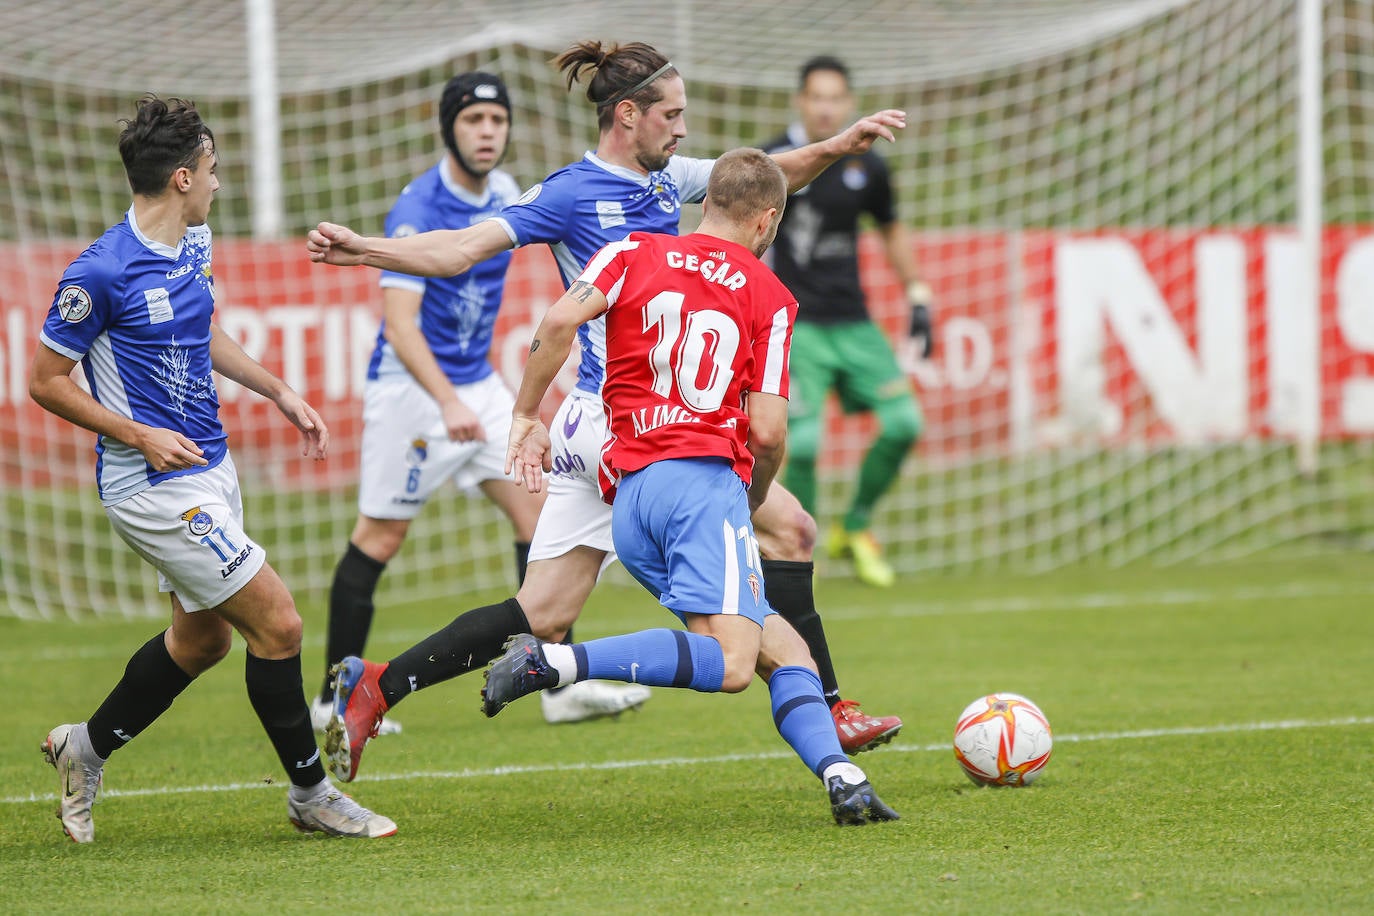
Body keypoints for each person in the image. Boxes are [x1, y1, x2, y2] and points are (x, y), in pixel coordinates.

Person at [308, 41, 905, 784]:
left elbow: (763, 183)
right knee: (787, 532)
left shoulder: (669, 181)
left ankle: (376, 684)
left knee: (544, 608)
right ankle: (832, 707)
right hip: (621, 424)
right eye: (673, 115)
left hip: (613, 428)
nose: (684, 130)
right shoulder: (567, 193)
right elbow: (461, 248)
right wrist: (365, 249)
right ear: (628, 116)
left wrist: (836, 145)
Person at [487, 147, 898, 825]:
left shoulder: (629, 252)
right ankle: (557, 665)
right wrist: (753, 496)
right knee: (735, 664)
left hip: (630, 494)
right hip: (701, 488)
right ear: (767, 222)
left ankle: (842, 777)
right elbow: (766, 431)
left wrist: (527, 414)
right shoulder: (770, 295)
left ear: (705, 202)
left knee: (783, 648)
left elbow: (559, 322)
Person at [30, 96, 394, 842]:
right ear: (184, 179)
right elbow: (45, 381)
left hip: (209, 467)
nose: (220, 185)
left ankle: (83, 748)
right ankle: (310, 794)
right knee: (280, 624)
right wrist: (140, 435)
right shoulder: (98, 273)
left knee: (202, 642)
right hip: (151, 485)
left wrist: (279, 389)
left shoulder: (192, 245)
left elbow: (202, 329)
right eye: (216, 172)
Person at [311, 71, 646, 735]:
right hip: (413, 393)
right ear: (449, 129)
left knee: (539, 510)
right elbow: (401, 328)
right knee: (380, 537)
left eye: (497, 121)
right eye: (473, 122)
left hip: (479, 386)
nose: (488, 133)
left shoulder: (504, 194)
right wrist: (447, 403)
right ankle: (333, 694)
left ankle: (553, 682)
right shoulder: (418, 207)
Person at [762, 55, 931, 589]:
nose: (826, 106)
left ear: (849, 104)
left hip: (855, 323)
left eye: (836, 98)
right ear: (800, 100)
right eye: (817, 96)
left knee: (906, 423)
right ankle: (797, 558)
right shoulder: (775, 161)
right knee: (804, 446)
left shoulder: (867, 165)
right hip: (799, 326)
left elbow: (890, 229)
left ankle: (854, 526)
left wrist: (918, 296)